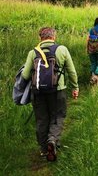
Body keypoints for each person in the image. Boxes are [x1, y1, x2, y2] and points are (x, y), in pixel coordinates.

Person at [21, 27, 79, 161]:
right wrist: (75, 87)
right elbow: (72, 71)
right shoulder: (62, 49)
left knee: (42, 119)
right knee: (58, 116)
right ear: (53, 37)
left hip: (38, 92)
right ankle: (52, 140)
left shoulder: (33, 52)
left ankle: (43, 149)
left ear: (40, 38)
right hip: (58, 91)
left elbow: (25, 75)